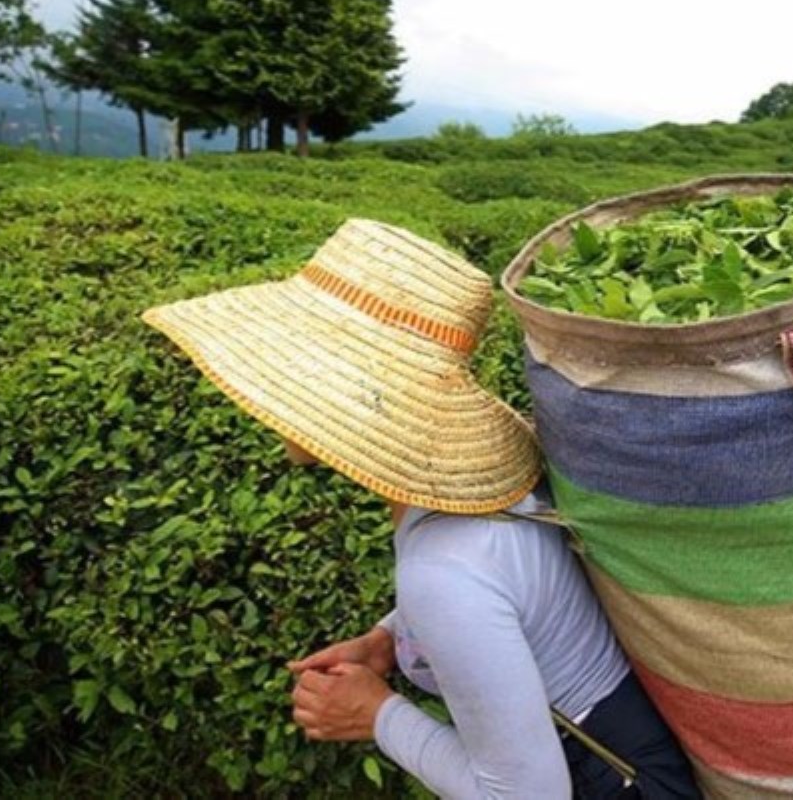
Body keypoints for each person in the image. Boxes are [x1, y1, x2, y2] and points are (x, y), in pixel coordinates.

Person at [142, 218, 700, 799]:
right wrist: (391, 639)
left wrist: (377, 715)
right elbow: (510, 594)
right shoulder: (474, 507)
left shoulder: (442, 572)